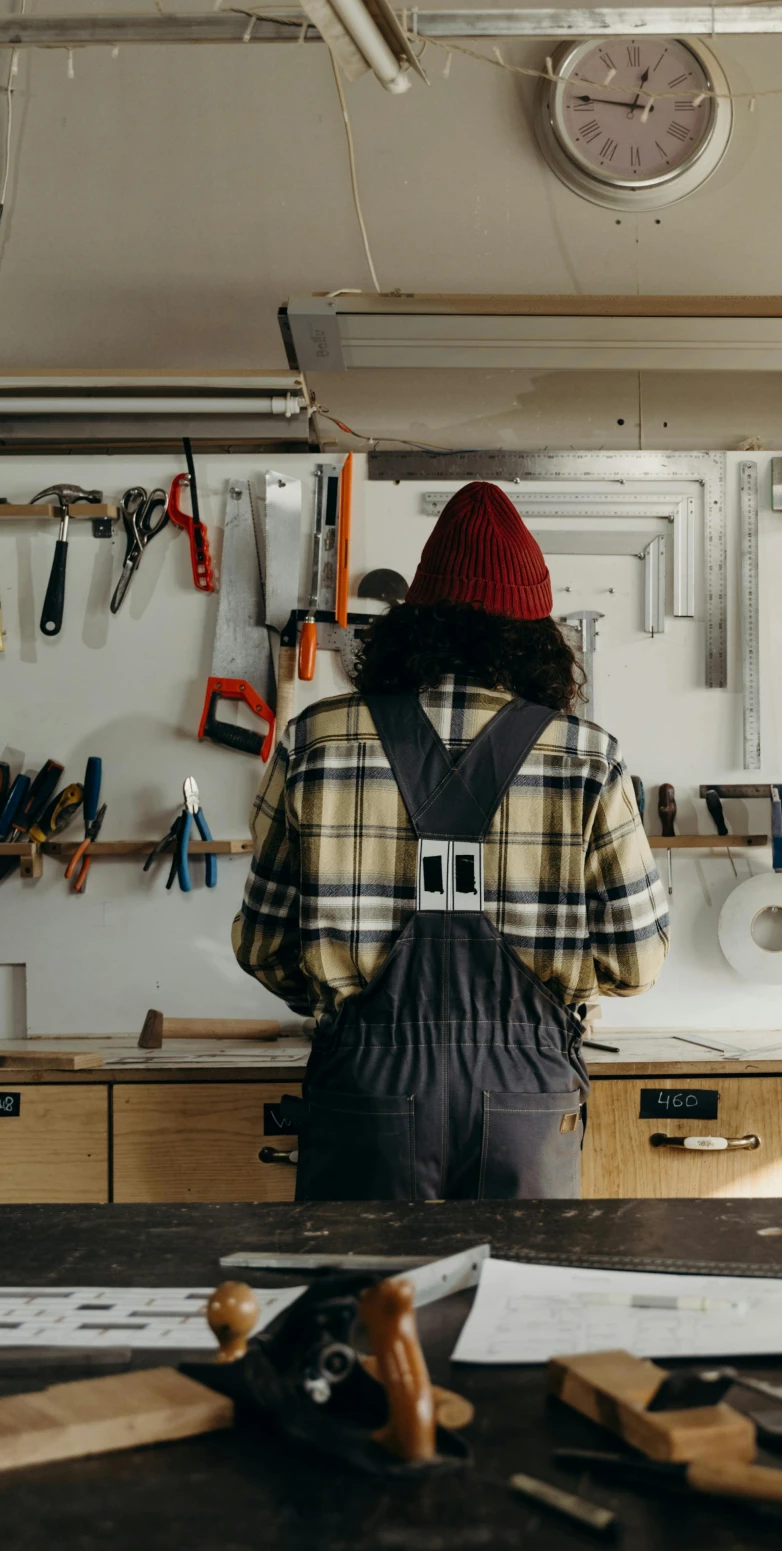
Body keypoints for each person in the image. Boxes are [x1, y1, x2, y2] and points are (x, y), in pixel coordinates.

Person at [232, 479, 668, 1199]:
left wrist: (352, 1005)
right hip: (526, 1097)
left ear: (412, 622)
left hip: (364, 1092)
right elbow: (636, 963)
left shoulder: (316, 740)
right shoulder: (588, 756)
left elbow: (265, 948)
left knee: (364, 1303)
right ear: (537, 638)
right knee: (520, 1304)